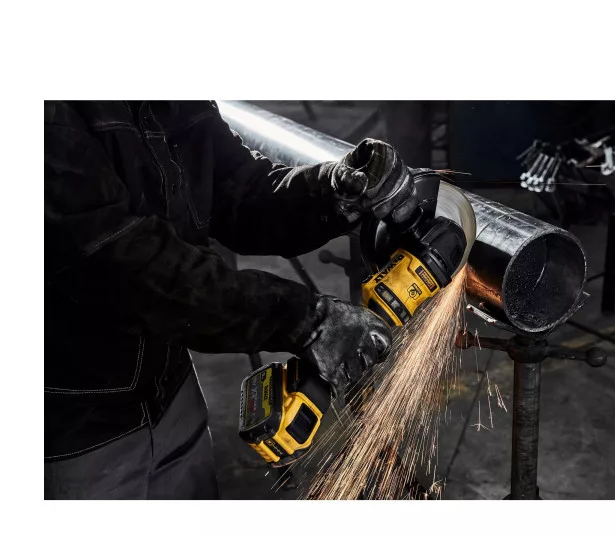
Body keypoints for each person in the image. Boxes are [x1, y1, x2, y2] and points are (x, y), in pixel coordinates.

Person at [44, 100, 419, 499]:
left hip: (172, 394)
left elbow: (239, 187)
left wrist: (335, 190)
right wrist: (303, 320)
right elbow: (126, 265)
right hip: (77, 429)